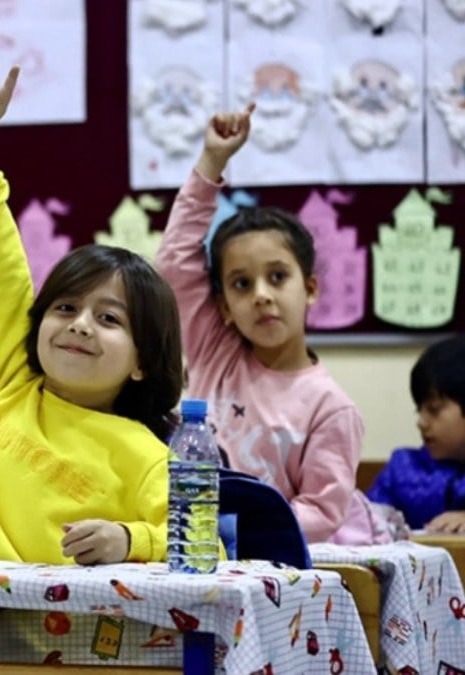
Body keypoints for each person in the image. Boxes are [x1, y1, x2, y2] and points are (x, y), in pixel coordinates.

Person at [0, 67, 184, 565]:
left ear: (142, 362)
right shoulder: (16, 385)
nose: (80, 324)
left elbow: (206, 547)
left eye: (109, 319)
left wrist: (131, 540)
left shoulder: (147, 456)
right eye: (66, 307)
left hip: (62, 620)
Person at [155, 105, 370, 544]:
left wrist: (232, 529)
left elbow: (322, 512)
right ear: (224, 306)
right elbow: (175, 262)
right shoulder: (215, 350)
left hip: (268, 564)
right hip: (194, 549)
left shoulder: (331, 409)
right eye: (241, 283)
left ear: (310, 288)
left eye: (277, 277)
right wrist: (212, 161)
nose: (261, 295)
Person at [369, 336, 465, 532]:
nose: (421, 422)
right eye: (418, 410)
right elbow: (366, 523)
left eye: (434, 409)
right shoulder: (401, 470)